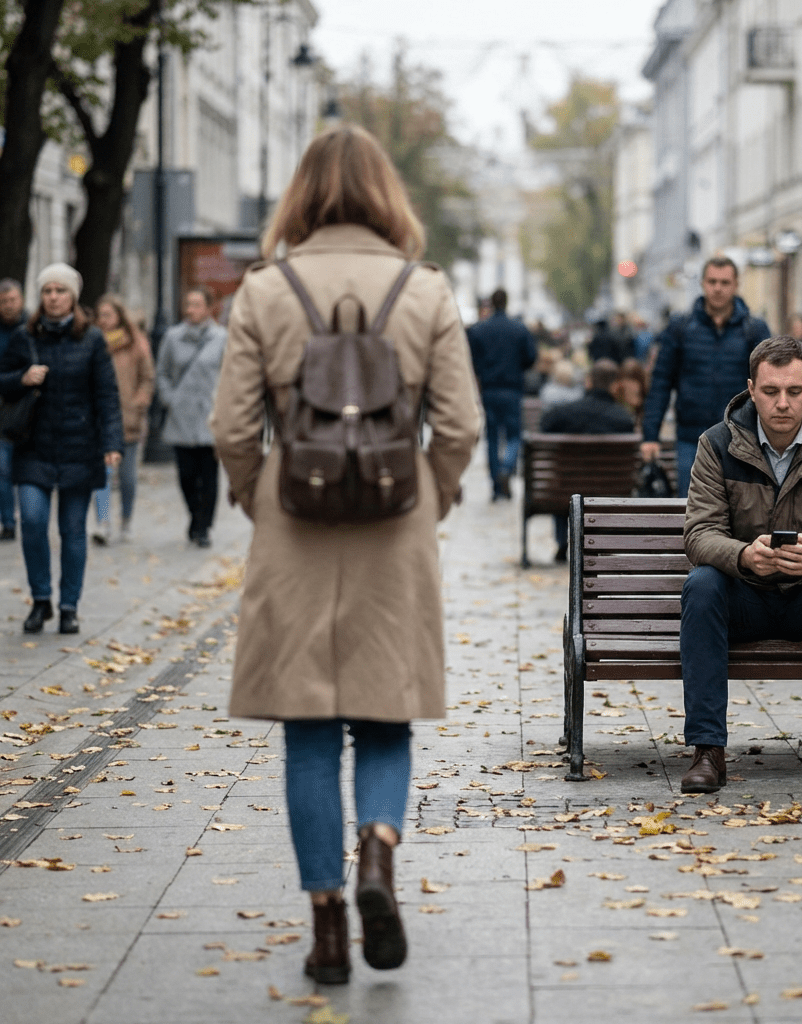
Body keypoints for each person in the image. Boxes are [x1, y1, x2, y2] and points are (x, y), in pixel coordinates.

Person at [210, 124, 479, 986]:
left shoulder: (265, 289)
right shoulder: (424, 289)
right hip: (397, 520)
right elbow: (463, 422)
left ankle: (327, 928)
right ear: (384, 194)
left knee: (309, 728)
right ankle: (379, 854)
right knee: (387, 712)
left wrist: (261, 494)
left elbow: (229, 425)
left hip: (295, 516)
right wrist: (430, 494)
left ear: (302, 195)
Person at [679, 335, 802, 795]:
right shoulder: (718, 444)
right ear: (751, 389)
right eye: (770, 392)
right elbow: (699, 534)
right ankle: (708, 750)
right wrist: (743, 555)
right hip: (746, 597)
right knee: (702, 584)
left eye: (793, 391)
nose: (782, 403)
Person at [0, 264, 123, 635]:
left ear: (73, 297)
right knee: (33, 522)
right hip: (33, 447)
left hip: (79, 448)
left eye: (61, 290)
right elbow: (2, 383)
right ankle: (41, 601)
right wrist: (21, 378)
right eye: (47, 290)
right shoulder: (25, 337)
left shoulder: (93, 339)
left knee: (72, 530)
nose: (53, 297)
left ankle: (69, 605)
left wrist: (112, 443)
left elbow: (107, 396)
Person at [641, 256, 770, 495]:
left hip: (741, 438)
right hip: (692, 437)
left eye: (724, 282)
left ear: (735, 284)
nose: (718, 288)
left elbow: (768, 385)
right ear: (702, 283)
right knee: (691, 512)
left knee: (742, 514)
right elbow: (661, 382)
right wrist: (651, 435)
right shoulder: (681, 328)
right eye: (712, 281)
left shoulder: (754, 329)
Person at [540, 358, 635, 562]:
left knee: (564, 481)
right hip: (610, 490)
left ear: (589, 382)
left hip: (565, 490)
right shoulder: (623, 419)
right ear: (614, 385)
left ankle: (562, 541)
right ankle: (600, 542)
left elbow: (544, 425)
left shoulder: (563, 413)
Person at [156, 286, 227, 547]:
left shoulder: (221, 338)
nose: (190, 310)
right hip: (181, 415)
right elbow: (160, 371)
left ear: (209, 308)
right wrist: (169, 398)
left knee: (208, 475)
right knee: (186, 475)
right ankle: (194, 515)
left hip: (209, 416)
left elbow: (230, 374)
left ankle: (203, 526)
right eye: (188, 304)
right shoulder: (173, 337)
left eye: (197, 305)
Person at [91, 294, 155, 544]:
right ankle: (103, 523)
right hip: (100, 420)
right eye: (101, 315)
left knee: (127, 478)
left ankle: (126, 520)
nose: (103, 320)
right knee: (102, 475)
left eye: (108, 314)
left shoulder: (135, 343)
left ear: (119, 316)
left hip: (129, 418)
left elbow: (147, 378)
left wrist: (140, 401)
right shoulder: (93, 342)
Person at [466, 287, 536, 500]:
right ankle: (507, 467)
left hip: (489, 389)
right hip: (512, 388)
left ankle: (496, 485)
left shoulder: (478, 330)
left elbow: (471, 360)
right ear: (507, 302)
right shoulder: (519, 329)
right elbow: (531, 357)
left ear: (491, 303)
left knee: (493, 438)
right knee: (514, 435)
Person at [0, 279, 28, 540]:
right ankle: (105, 524)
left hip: (122, 423)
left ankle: (117, 520)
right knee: (4, 469)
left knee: (112, 482)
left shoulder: (91, 343)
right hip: (8, 413)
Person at [611, 356, 648, 426]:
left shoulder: (647, 405)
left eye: (633, 379)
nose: (630, 385)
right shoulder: (614, 403)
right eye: (627, 379)